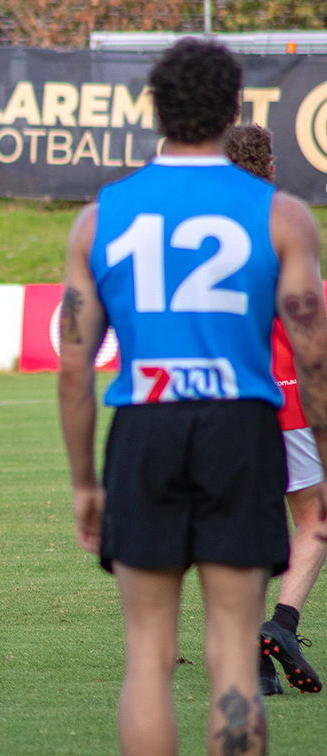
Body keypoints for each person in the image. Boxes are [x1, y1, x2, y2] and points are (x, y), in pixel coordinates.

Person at [58, 38, 327, 756]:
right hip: (240, 430)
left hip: (144, 428)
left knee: (148, 657)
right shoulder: (283, 215)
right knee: (234, 654)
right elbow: (315, 355)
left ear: (157, 108)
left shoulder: (99, 217)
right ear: (234, 107)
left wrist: (85, 481)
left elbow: (75, 367)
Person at [224, 123, 327, 696]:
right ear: (269, 167)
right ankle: (280, 625)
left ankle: (256, 665)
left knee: (244, 534)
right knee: (313, 521)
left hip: (227, 403)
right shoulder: (287, 222)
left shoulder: (202, 228)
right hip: (289, 400)